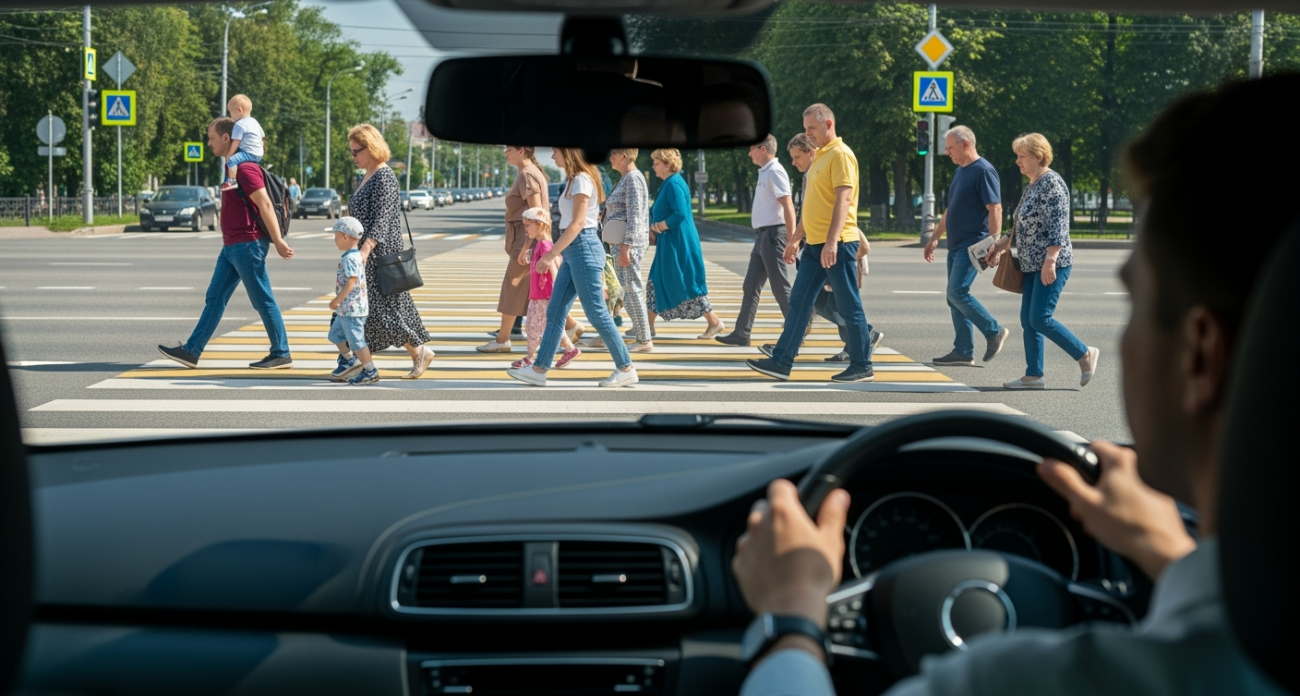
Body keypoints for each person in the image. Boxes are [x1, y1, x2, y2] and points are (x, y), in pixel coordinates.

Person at [731, 76, 1299, 696]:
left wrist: (790, 617)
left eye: (1134, 300)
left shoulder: (1026, 680)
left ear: (1201, 356)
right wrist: (1173, 557)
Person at [745, 104, 873, 383]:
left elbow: (844, 200)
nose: (808, 134)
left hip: (836, 244)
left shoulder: (841, 154)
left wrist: (831, 242)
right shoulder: (822, 157)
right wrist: (795, 239)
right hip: (815, 246)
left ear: (828, 124)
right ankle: (781, 362)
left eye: (811, 128)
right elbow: (813, 206)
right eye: (806, 129)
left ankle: (862, 364)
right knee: (800, 303)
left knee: (849, 305)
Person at [157, 116, 293, 370]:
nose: (208, 143)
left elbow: (264, 204)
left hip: (248, 244)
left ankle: (281, 352)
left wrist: (278, 241)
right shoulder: (232, 168)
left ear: (226, 138)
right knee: (215, 297)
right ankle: (191, 351)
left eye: (211, 137)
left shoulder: (245, 168)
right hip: (233, 245)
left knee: (262, 299)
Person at [506, 148, 638, 388]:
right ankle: (539, 369)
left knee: (597, 313)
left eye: (556, 151)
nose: (553, 155)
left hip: (583, 249)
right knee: (555, 312)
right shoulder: (573, 180)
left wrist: (551, 255)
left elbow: (577, 223)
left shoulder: (582, 180)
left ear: (569, 154)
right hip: (573, 252)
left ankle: (626, 367)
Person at [987, 133, 1100, 390]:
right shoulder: (1033, 184)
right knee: (1028, 320)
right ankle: (1034, 375)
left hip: (1051, 264)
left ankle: (1084, 354)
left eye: (1021, 156)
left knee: (1040, 318)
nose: (1017, 161)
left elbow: (1058, 227)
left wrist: (1050, 260)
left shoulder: (1052, 183)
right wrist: (998, 246)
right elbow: (1017, 228)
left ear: (1038, 156)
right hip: (1030, 264)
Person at [347, 124, 434, 379]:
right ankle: (360, 359)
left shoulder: (384, 176)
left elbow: (383, 219)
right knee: (369, 309)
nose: (353, 157)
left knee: (385, 311)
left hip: (379, 255)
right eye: (351, 152)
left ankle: (419, 351)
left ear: (371, 148)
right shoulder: (367, 174)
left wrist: (365, 249)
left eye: (356, 152)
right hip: (366, 252)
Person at [923, 125, 1010, 367]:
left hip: (973, 245)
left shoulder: (983, 170)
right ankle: (963, 350)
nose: (948, 152)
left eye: (950, 147)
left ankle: (994, 331)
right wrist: (935, 237)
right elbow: (951, 209)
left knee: (956, 293)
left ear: (966, 145)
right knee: (954, 297)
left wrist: (994, 243)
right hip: (956, 244)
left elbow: (995, 208)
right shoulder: (961, 171)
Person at [716, 134, 796, 348]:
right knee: (750, 285)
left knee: (780, 287)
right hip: (763, 237)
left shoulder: (775, 172)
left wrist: (792, 239)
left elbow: (788, 205)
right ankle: (742, 333)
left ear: (763, 149)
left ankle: (796, 332)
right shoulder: (765, 172)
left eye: (751, 149)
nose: (749, 153)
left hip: (773, 236)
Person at [646, 149, 725, 338]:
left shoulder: (673, 183)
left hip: (678, 243)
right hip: (671, 242)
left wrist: (657, 227)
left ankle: (714, 322)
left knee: (686, 282)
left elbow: (679, 213)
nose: (653, 166)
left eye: (656, 163)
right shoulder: (669, 183)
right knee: (657, 280)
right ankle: (647, 326)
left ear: (667, 164)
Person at [480, 145, 550, 354]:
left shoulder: (527, 174)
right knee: (535, 292)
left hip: (526, 239)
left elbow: (536, 213)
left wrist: (527, 246)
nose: (505, 153)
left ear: (521, 151)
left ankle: (502, 340)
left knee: (512, 288)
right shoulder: (528, 173)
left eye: (508, 149)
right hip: (527, 239)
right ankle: (572, 327)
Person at [512, 207, 579, 370]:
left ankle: (529, 358)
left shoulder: (545, 246)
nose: (525, 230)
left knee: (532, 327)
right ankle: (570, 349)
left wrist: (557, 291)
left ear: (540, 225)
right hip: (540, 295)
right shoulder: (542, 245)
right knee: (547, 327)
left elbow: (554, 269)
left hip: (545, 295)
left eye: (528, 226)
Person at [603, 148, 654, 353]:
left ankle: (644, 340)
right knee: (629, 289)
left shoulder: (633, 178)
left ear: (624, 156)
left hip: (627, 244)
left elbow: (635, 215)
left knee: (632, 290)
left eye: (613, 154)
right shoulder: (627, 177)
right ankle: (642, 336)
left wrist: (627, 246)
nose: (610, 158)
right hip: (621, 243)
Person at [325, 216, 377, 385]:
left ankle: (370, 370)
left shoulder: (350, 258)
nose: (335, 241)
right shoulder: (352, 256)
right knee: (335, 335)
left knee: (357, 342)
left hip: (352, 309)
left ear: (345, 237)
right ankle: (349, 361)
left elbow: (352, 281)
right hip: (346, 310)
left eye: (336, 236)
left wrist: (336, 300)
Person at [220, 95, 264, 192]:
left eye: (231, 112)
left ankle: (231, 181)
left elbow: (236, 142)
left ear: (239, 110)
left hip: (249, 152)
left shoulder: (239, 124)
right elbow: (262, 136)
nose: (231, 116)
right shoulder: (254, 122)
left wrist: (229, 154)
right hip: (259, 153)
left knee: (232, 160)